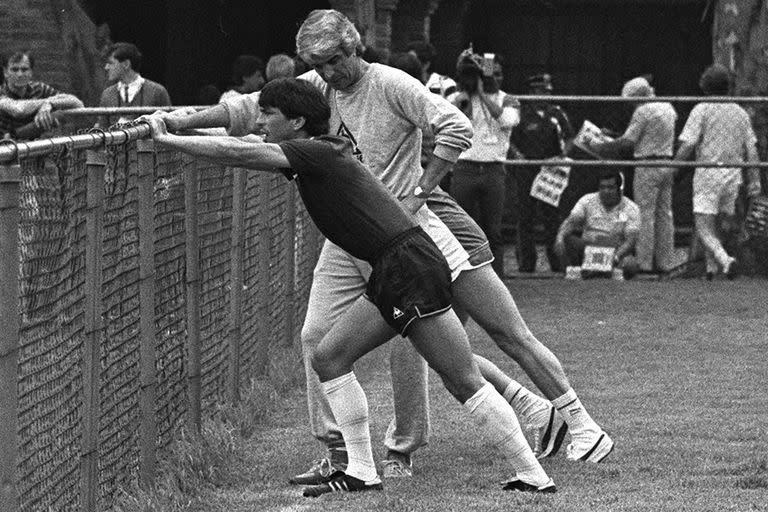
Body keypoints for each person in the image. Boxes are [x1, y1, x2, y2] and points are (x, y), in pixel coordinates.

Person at [158, 8, 614, 483]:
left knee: (478, 346)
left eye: (334, 61)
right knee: (325, 343)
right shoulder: (314, 103)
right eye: (318, 64)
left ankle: (564, 428)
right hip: (361, 244)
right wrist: (181, 120)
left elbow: (457, 127)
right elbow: (248, 112)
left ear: (354, 47)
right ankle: (349, 459)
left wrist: (417, 194)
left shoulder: (384, 91)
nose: (327, 73)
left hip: (409, 242)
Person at [674, 64, 762, 278]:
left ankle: (725, 260)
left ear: (705, 86)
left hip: (708, 173)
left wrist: (673, 167)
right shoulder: (740, 113)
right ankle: (712, 270)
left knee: (703, 226)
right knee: (719, 225)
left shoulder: (702, 109)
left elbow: (688, 145)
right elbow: (751, 149)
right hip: (733, 175)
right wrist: (754, 180)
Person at [587, 76, 677, 273]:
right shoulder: (668, 108)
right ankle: (666, 262)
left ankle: (644, 263)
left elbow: (629, 141)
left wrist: (603, 144)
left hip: (647, 163)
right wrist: (614, 135)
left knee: (645, 213)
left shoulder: (643, 111)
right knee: (665, 214)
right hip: (666, 161)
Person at [448, 49, 520, 276]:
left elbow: (508, 120)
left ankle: (496, 278)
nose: (494, 79)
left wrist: (484, 94)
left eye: (498, 75)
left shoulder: (508, 99)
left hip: (493, 169)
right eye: (490, 74)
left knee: (493, 230)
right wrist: (467, 89)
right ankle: (458, 274)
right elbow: (454, 119)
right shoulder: (461, 97)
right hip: (465, 167)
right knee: (459, 227)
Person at [509, 73, 574, 273]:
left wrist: (562, 156)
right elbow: (508, 138)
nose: (546, 95)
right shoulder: (520, 113)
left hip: (550, 171)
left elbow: (570, 137)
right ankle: (527, 264)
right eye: (541, 91)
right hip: (527, 170)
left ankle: (555, 262)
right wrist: (517, 155)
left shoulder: (556, 113)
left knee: (551, 218)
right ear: (532, 92)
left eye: (548, 91)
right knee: (525, 217)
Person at [554, 170, 641, 277]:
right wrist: (560, 237)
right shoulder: (587, 200)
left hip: (615, 251)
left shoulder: (631, 208)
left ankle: (593, 271)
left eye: (610, 187)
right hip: (588, 248)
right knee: (565, 239)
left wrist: (615, 257)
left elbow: (631, 240)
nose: (606, 191)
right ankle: (578, 272)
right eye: (602, 187)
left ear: (619, 189)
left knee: (630, 265)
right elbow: (571, 222)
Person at [0, 51, 84, 140]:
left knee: (57, 116)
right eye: (14, 69)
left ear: (31, 72)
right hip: (4, 148)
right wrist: (45, 103)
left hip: (32, 147)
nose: (20, 74)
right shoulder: (1, 92)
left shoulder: (39, 88)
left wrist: (49, 103)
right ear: (5, 72)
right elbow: (19, 109)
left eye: (24, 69)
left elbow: (77, 103)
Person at [97, 42, 172, 127]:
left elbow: (169, 128)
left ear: (126, 64)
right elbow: (102, 130)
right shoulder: (107, 94)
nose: (106, 67)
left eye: (111, 63)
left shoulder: (157, 92)